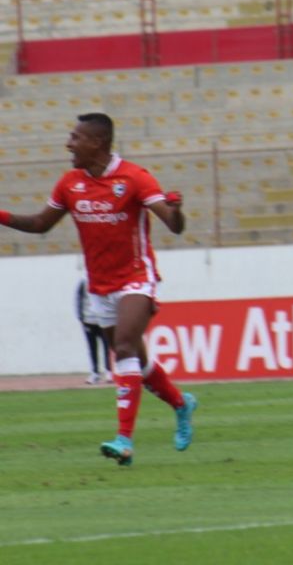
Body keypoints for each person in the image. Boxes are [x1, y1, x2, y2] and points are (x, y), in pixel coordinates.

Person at [0, 114, 196, 466]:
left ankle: (124, 440)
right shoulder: (70, 183)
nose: (69, 144)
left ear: (98, 143)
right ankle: (182, 405)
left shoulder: (134, 178)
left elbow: (174, 225)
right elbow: (40, 224)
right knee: (139, 361)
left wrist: (177, 211)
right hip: (99, 284)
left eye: (76, 138)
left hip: (137, 276)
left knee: (122, 349)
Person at [77, 279, 112, 385]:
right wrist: (81, 317)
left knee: (107, 347)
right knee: (92, 348)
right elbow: (78, 300)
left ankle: (108, 371)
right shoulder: (83, 283)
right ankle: (94, 373)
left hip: (102, 320)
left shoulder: (104, 280)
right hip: (88, 320)